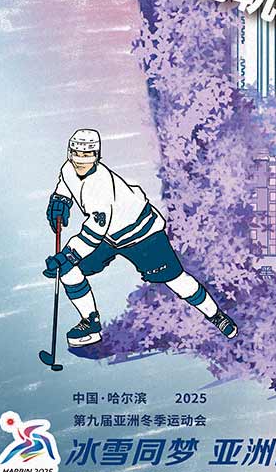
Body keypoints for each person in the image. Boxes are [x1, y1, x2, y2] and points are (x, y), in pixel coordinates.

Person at [43, 128, 236, 350]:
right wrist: (61, 200)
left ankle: (216, 315)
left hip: (141, 233)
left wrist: (69, 254)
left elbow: (95, 231)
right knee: (68, 270)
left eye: (87, 155)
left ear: (97, 155)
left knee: (176, 279)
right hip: (110, 235)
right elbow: (66, 183)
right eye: (76, 153)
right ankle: (91, 323)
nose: (80, 160)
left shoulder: (100, 186)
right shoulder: (69, 168)